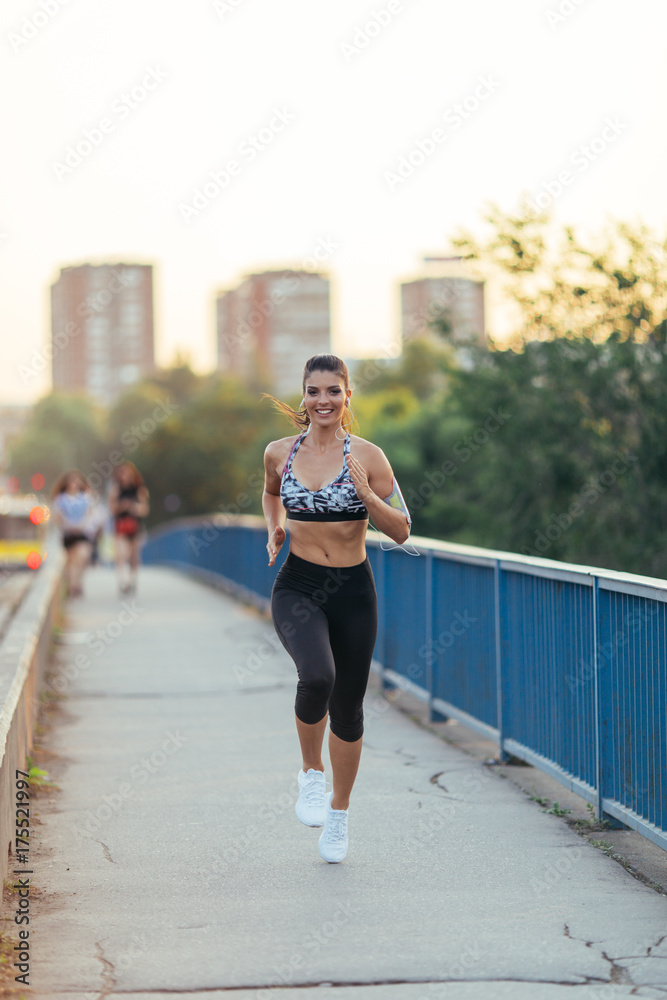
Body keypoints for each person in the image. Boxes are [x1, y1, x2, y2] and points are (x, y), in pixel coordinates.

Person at [262, 354, 411, 863]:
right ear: (302, 397)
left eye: (333, 390)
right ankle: (310, 775)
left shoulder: (369, 455)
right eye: (313, 391)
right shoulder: (279, 452)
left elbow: (402, 529)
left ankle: (339, 816)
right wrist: (273, 527)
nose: (322, 400)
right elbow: (268, 494)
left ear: (348, 396)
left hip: (353, 591)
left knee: (348, 707)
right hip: (298, 584)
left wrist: (367, 494)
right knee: (317, 675)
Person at [51, 469, 97, 598]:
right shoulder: (60, 499)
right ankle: (73, 586)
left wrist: (83, 525)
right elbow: (57, 517)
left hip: (83, 533)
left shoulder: (86, 498)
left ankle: (76, 583)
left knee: (82, 557)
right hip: (68, 534)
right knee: (71, 561)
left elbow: (92, 515)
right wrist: (68, 526)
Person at [108, 462, 150, 596]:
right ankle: (123, 581)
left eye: (127, 474)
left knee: (134, 556)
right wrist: (121, 506)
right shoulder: (115, 489)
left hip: (135, 526)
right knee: (121, 554)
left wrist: (132, 506)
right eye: (122, 474)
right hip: (120, 526)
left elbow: (144, 510)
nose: (124, 476)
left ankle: (132, 581)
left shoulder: (139, 489)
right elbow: (111, 509)